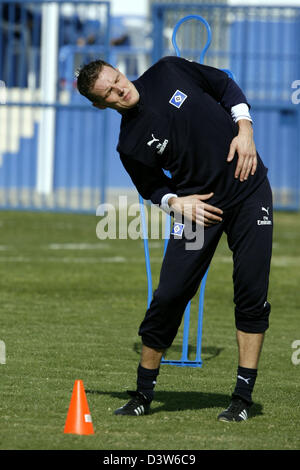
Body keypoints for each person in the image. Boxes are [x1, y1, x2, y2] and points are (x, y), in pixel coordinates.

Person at [76, 56, 273, 422]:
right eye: (111, 94)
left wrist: (245, 130)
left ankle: (242, 398)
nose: (121, 89)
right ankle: (142, 394)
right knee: (168, 295)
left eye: (117, 79)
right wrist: (176, 202)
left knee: (251, 289)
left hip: (249, 190)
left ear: (120, 70)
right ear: (101, 104)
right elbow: (153, 187)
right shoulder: (129, 145)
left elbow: (225, 87)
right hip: (199, 211)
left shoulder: (169, 70)